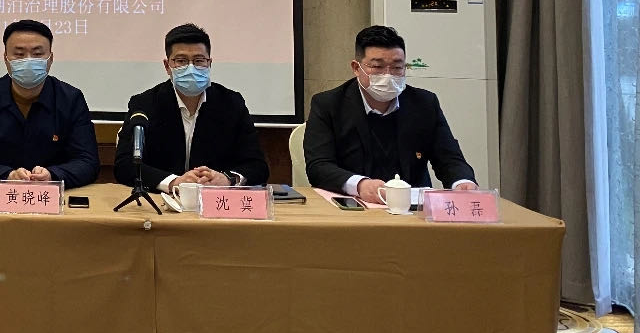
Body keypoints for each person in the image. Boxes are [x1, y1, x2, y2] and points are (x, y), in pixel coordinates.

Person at [304, 25, 478, 202]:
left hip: (412, 207)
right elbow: (319, 166)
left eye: (397, 67)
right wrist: (360, 185)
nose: (388, 75)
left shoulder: (424, 103)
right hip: (354, 205)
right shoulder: (329, 104)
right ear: (356, 68)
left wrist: (462, 182)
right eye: (377, 66)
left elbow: (449, 158)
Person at [113, 22, 268, 193]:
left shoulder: (232, 103)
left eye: (199, 61)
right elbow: (125, 165)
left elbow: (257, 165)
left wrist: (227, 179)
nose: (191, 68)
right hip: (161, 201)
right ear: (167, 66)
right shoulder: (144, 104)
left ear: (209, 63)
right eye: (181, 61)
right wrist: (173, 182)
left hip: (214, 200)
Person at [0, 19, 99, 189]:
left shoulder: (71, 99)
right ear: (6, 59)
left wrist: (53, 175)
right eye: (19, 54)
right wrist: (7, 176)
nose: (28, 61)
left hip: (54, 197)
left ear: (50, 59)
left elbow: (87, 162)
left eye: (37, 54)